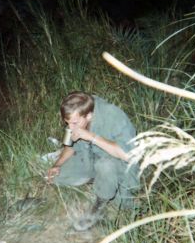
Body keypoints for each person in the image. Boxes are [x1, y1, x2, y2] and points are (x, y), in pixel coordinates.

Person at [47, 91, 139, 231]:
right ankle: (100, 181)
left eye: (74, 123)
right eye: (67, 123)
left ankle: (99, 207)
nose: (70, 128)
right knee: (57, 178)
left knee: (105, 166)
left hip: (119, 165)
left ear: (89, 115)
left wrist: (91, 136)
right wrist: (57, 165)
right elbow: (70, 146)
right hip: (91, 159)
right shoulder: (77, 118)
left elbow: (128, 156)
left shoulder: (113, 116)